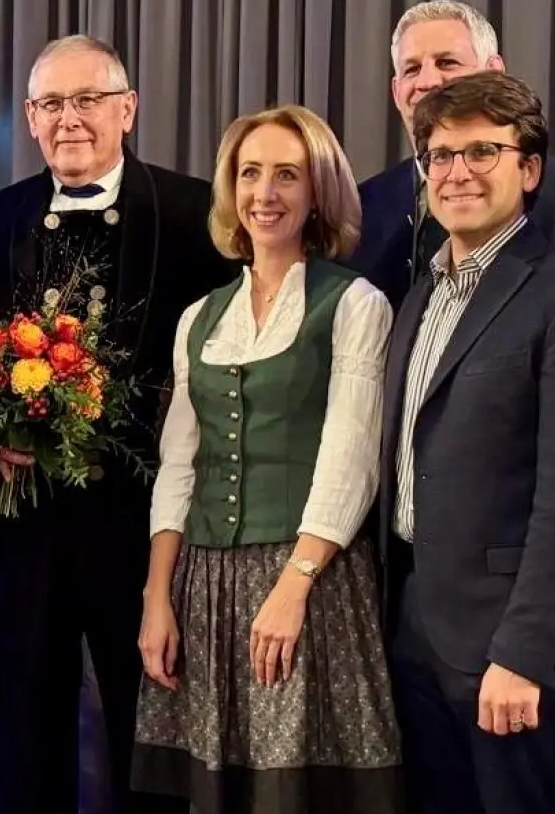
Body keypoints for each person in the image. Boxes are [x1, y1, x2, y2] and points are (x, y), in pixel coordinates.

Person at [0, 34, 236, 814]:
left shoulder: (194, 213)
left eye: (87, 100)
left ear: (127, 109)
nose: (68, 119)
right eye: (50, 104)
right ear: (29, 118)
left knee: (146, 728)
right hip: (27, 528)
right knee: (26, 724)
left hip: (143, 530)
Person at [130, 104, 405, 813]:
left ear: (318, 192)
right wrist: (157, 597)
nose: (265, 193)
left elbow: (350, 460)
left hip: (307, 574)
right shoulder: (199, 317)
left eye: (288, 175)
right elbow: (179, 467)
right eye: (250, 173)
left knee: (295, 793)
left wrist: (293, 586)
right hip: (204, 581)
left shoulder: (354, 304)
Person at [378, 70, 555, 814]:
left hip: (509, 647)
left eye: (482, 152)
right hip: (414, 629)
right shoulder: (419, 297)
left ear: (528, 170)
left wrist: (523, 653)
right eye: (440, 155)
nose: (456, 171)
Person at [352, 0, 555, 308]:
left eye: (447, 63)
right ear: (396, 91)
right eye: (412, 69)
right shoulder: (365, 205)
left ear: (494, 73)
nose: (427, 82)